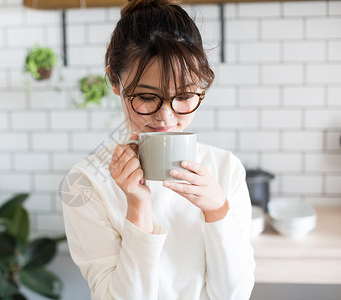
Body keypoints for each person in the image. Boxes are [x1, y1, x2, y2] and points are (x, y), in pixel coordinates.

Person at [60, 0, 255, 299]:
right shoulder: (84, 184)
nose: (166, 117)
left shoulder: (226, 169)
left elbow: (233, 294)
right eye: (147, 97)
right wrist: (137, 209)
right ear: (114, 80)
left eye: (185, 95)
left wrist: (217, 210)